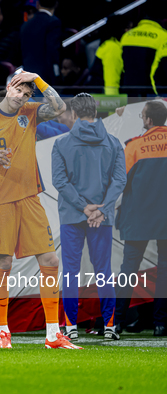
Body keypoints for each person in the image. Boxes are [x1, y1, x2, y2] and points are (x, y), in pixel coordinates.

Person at [0, 70, 77, 349]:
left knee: (50, 261)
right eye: (19, 90)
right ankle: (3, 332)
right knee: (3, 264)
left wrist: (37, 79)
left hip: (30, 198)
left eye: (27, 93)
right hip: (1, 200)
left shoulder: (31, 111)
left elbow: (60, 107)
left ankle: (52, 335)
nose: (22, 97)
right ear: (8, 87)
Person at [51, 93, 126, 342]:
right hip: (101, 217)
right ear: (96, 112)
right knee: (103, 270)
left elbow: (60, 181)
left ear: (73, 114)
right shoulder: (114, 143)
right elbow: (120, 180)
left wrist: (84, 208)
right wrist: (101, 209)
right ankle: (110, 325)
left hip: (73, 214)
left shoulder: (61, 144)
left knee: (71, 272)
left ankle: (71, 326)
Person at [115, 101, 167, 337]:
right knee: (165, 271)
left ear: (147, 120)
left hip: (137, 218)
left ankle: (116, 322)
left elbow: (119, 183)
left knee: (128, 270)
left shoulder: (134, 146)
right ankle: (160, 324)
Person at [120, 15, 167, 95]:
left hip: (129, 90)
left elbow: (121, 64)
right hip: (152, 91)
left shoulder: (126, 36)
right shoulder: (163, 36)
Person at [20, 0, 61, 84]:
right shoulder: (53, 22)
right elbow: (52, 49)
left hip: (28, 74)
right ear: (56, 4)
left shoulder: (26, 24)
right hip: (46, 75)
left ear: (38, 4)